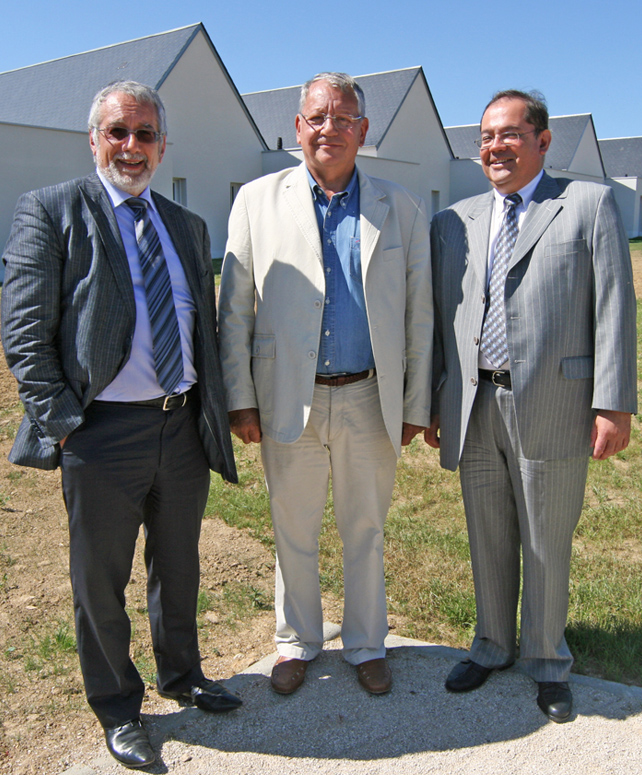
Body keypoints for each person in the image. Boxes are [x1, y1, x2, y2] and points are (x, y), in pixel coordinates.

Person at [1, 81, 242, 768]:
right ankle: (117, 706)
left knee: (179, 565)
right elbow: (23, 331)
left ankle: (183, 674)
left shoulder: (186, 225)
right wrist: (65, 425)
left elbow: (201, 325)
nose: (130, 147)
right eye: (118, 132)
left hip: (180, 427)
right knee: (99, 581)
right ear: (94, 139)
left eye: (144, 134)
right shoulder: (52, 211)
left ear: (163, 145)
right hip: (100, 433)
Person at [218, 72, 432, 696]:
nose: (329, 129)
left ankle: (367, 643)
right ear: (297, 128)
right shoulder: (257, 201)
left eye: (343, 119)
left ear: (363, 131)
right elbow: (234, 309)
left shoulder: (402, 205)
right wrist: (240, 398)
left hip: (370, 395)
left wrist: (414, 402)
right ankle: (296, 642)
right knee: (293, 525)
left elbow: (419, 314)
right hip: (288, 393)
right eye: (317, 118)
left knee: (365, 527)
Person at [427, 89, 637, 723]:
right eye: (486, 136)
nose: (495, 146)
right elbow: (444, 320)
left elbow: (614, 309)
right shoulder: (454, 222)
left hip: (553, 401)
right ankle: (492, 644)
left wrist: (614, 403)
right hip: (474, 400)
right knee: (487, 531)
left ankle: (547, 660)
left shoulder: (587, 205)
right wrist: (437, 398)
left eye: (510, 134)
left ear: (543, 141)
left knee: (547, 538)